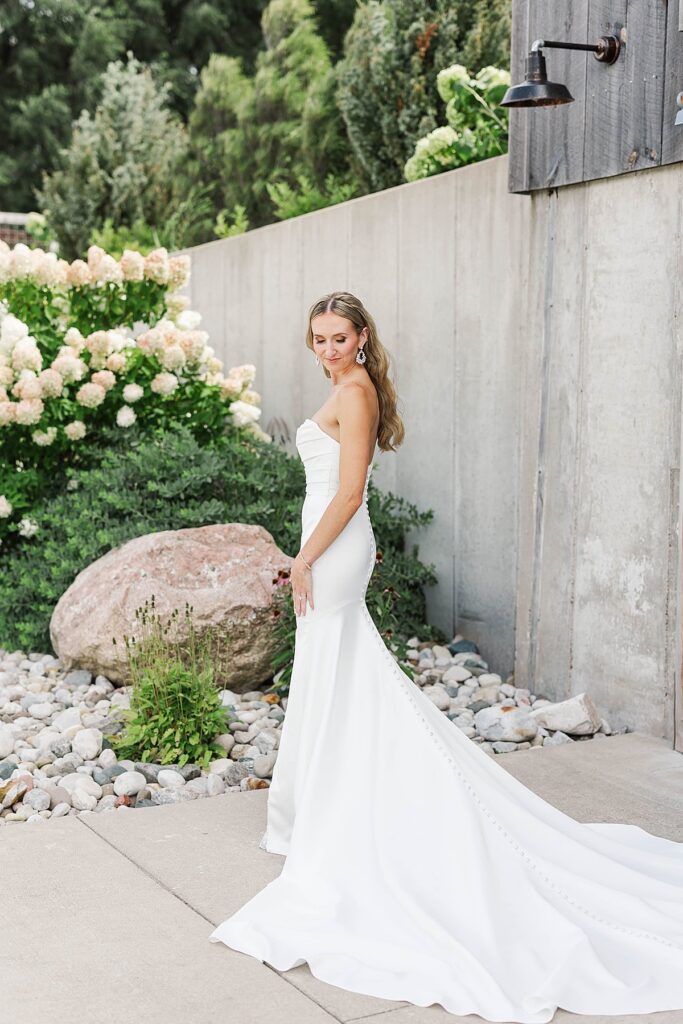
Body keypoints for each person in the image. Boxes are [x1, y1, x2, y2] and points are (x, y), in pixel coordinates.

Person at [209, 291, 683, 1023]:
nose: (327, 350)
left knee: (340, 668)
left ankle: (337, 806)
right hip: (325, 548)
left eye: (338, 337)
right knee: (336, 673)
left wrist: (303, 560)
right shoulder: (343, 387)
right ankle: (317, 802)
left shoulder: (357, 391)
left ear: (362, 337)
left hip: (334, 551)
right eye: (317, 339)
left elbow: (349, 491)